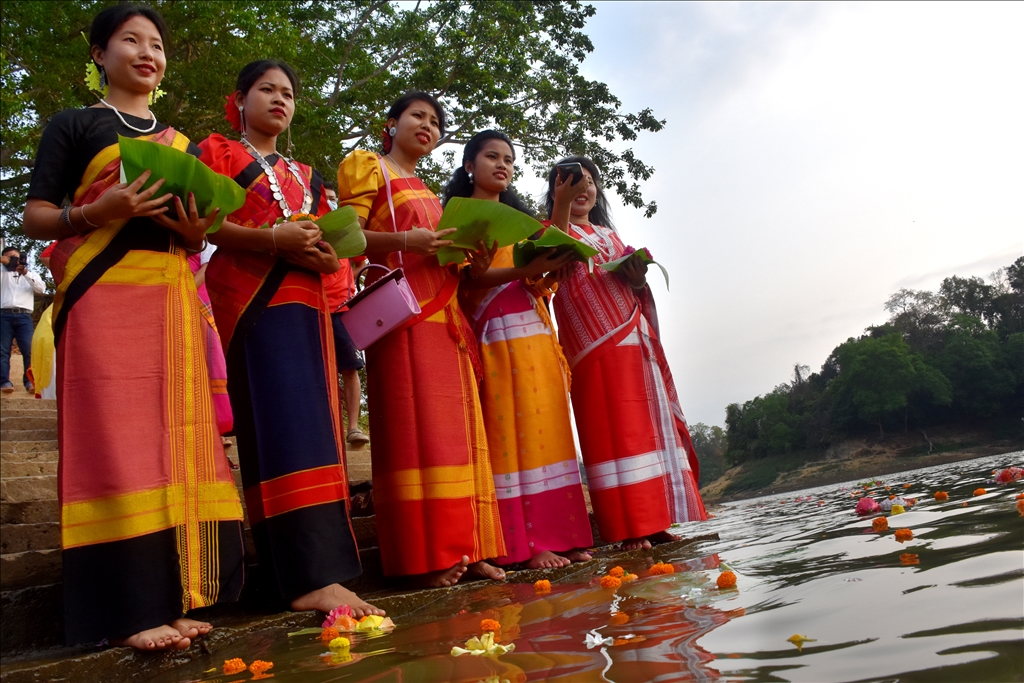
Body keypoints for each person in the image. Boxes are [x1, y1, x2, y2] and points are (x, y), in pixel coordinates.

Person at [21, 4, 245, 650]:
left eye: (156, 43)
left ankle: (174, 596)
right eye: (130, 40)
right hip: (102, 297)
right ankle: (122, 609)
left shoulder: (183, 145)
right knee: (114, 444)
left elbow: (198, 231)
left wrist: (194, 226)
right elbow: (38, 215)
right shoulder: (74, 125)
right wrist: (101, 210)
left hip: (171, 302)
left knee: (171, 444)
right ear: (99, 53)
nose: (147, 52)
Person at [199, 60, 381, 617]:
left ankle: (319, 572)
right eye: (266, 90)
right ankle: (301, 575)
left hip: (307, 310)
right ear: (240, 99)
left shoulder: (310, 176)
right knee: (278, 428)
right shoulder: (217, 156)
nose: (279, 100)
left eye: (288, 93)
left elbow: (339, 249)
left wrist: (328, 254)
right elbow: (201, 223)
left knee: (316, 432)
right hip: (252, 304)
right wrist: (273, 237)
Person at [335, 92, 506, 586]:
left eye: (435, 121)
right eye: (418, 116)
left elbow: (442, 255)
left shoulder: (432, 194)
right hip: (403, 320)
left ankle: (470, 547)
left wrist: (470, 262)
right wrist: (404, 242)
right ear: (391, 123)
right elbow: (347, 239)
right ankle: (425, 557)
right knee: (417, 432)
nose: (427, 125)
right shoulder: (369, 168)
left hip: (447, 316)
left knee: (457, 431)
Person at [441, 130, 594, 569]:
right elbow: (465, 280)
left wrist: (561, 206)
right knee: (513, 439)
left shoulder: (521, 219)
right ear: (469, 164)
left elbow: (555, 252)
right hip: (493, 335)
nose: (502, 165)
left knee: (549, 434)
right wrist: (522, 268)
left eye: (508, 159)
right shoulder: (456, 217)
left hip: (536, 333)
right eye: (492, 156)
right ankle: (523, 545)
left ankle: (562, 535)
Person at [545, 156, 707, 551]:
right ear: (555, 190)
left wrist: (637, 280)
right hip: (591, 346)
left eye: (589, 182)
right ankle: (628, 528)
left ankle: (656, 521)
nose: (582, 188)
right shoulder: (545, 229)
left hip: (632, 335)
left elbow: (632, 285)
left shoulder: (610, 236)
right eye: (570, 182)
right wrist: (560, 208)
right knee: (611, 432)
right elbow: (551, 258)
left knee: (647, 429)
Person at [320, 181, 369, 447]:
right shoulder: (308, 226)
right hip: (312, 307)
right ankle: (328, 427)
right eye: (325, 198)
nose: (331, 202)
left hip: (343, 308)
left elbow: (363, 263)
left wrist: (355, 290)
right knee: (319, 371)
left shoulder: (348, 231)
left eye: (334, 198)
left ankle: (352, 428)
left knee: (350, 368)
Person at [189, 242, 233, 437]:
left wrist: (184, 287)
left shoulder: (205, 234)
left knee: (208, 358)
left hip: (196, 295)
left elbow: (207, 265)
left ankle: (214, 425)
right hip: (166, 292)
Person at [1, 246, 45, 394]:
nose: (13, 261)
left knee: (29, 350)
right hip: (3, 315)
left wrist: (25, 273)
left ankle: (30, 381)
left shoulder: (31, 274)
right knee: (3, 350)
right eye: (9, 258)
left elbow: (41, 289)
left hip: (24, 316)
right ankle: (4, 382)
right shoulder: (2, 274)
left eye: (15, 257)